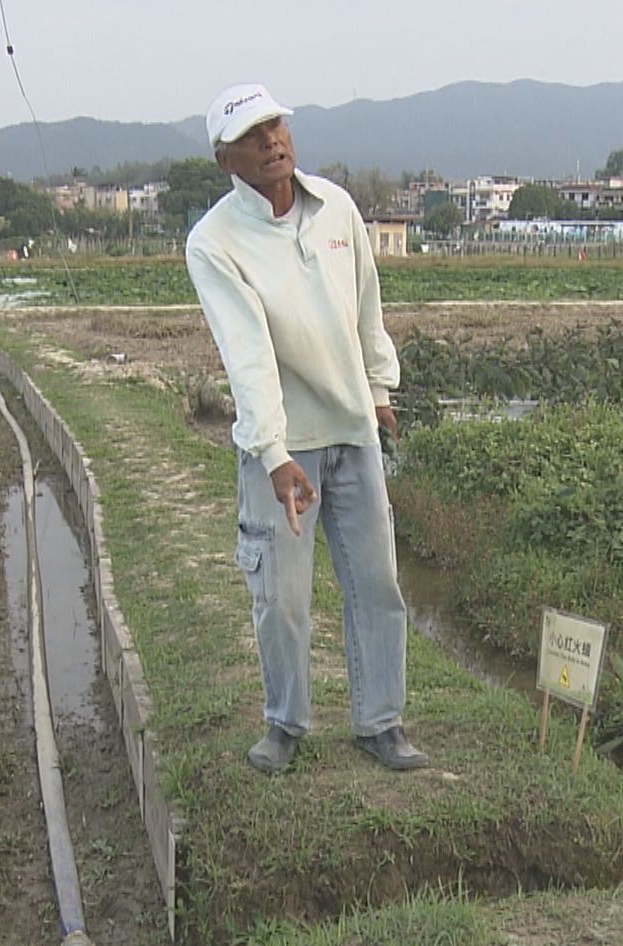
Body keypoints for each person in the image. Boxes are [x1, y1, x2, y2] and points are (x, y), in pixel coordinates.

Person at [185, 83, 427, 775]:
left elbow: (365, 306)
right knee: (282, 597)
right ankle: (285, 723)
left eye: (276, 125)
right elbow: (247, 351)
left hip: (352, 431)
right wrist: (271, 450)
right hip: (283, 450)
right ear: (224, 159)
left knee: (376, 582)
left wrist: (379, 387)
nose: (272, 142)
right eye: (252, 135)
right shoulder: (215, 242)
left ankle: (381, 722)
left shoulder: (336, 208)